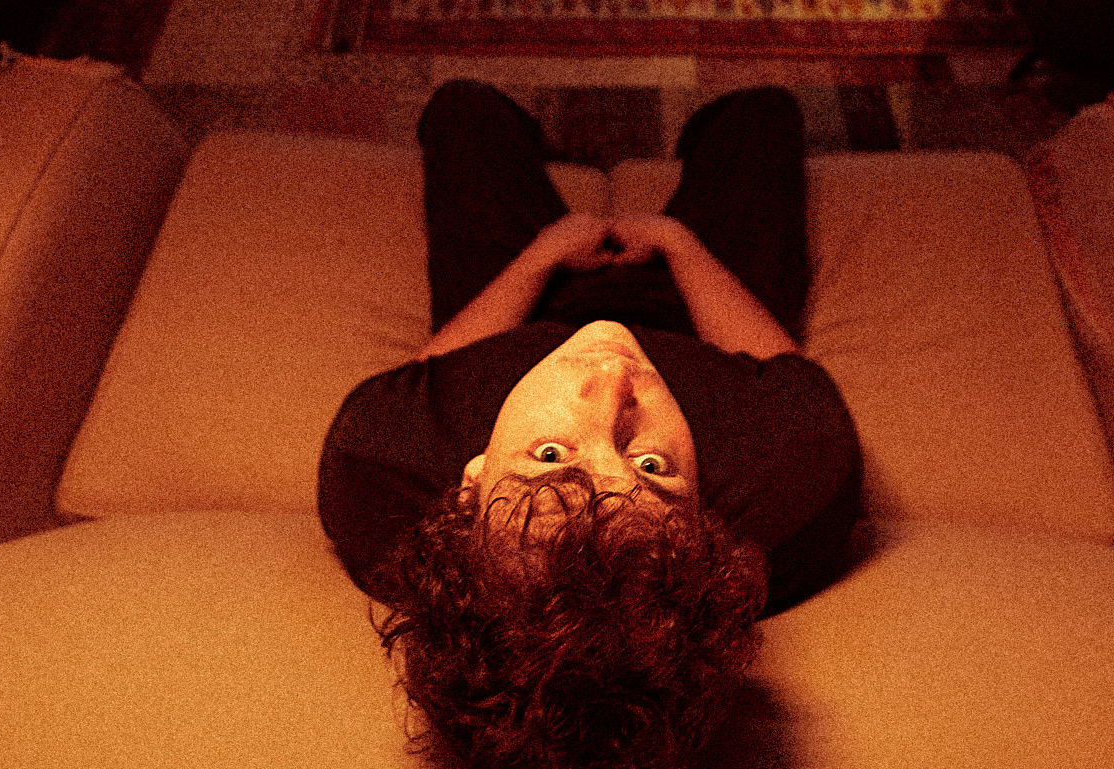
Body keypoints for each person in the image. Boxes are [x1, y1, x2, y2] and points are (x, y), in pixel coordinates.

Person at [318, 80, 862, 769]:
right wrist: (678, 244)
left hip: (520, 308)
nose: (611, 380)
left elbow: (424, 382)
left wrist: (540, 256)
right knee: (761, 111)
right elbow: (783, 370)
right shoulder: (792, 483)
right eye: (653, 468)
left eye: (548, 454)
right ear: (703, 524)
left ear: (470, 487)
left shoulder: (378, 474)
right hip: (688, 310)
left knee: (465, 107)